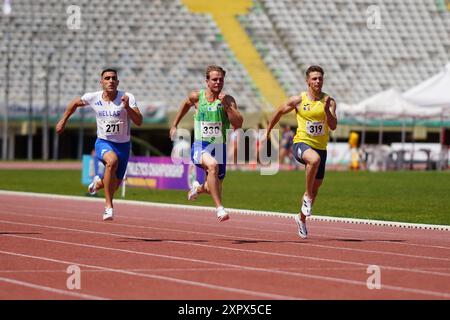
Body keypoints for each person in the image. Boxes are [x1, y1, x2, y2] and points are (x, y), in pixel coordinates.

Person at [56, 68, 143, 221]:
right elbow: (74, 103)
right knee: (111, 162)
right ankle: (108, 206)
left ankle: (97, 183)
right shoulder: (93, 97)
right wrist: (63, 120)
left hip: (123, 145)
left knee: (114, 185)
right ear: (101, 82)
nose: (111, 81)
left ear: (118, 82)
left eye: (113, 78)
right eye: (107, 78)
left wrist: (127, 107)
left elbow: (139, 122)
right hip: (103, 142)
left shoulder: (127, 97)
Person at [266, 65, 337, 239]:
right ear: (307, 81)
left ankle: (301, 218)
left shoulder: (329, 101)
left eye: (320, 78)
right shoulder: (298, 100)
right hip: (301, 144)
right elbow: (279, 112)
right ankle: (306, 196)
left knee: (316, 187)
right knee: (313, 160)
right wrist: (267, 132)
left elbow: (333, 126)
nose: (318, 81)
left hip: (321, 148)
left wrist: (327, 110)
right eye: (314, 78)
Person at [169, 65, 243, 222]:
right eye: (214, 79)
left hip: (219, 147)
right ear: (207, 81)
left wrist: (228, 108)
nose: (217, 82)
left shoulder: (228, 100)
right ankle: (220, 208)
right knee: (212, 166)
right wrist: (175, 124)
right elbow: (185, 104)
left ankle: (198, 188)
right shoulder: (197, 97)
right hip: (200, 146)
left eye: (221, 80)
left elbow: (238, 124)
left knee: (211, 187)